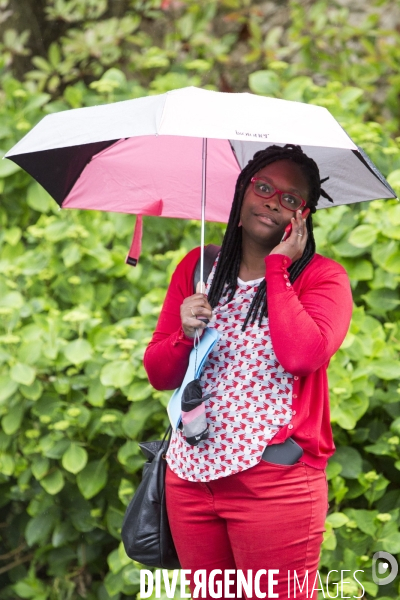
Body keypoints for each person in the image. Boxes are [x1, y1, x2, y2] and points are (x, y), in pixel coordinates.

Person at [144, 144, 353, 599]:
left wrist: (278, 268)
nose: (273, 201)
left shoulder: (322, 279)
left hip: (274, 483)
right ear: (241, 193)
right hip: (191, 479)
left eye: (291, 198)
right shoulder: (200, 268)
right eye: (263, 187)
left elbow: (301, 356)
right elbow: (160, 373)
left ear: (305, 215)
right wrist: (182, 332)